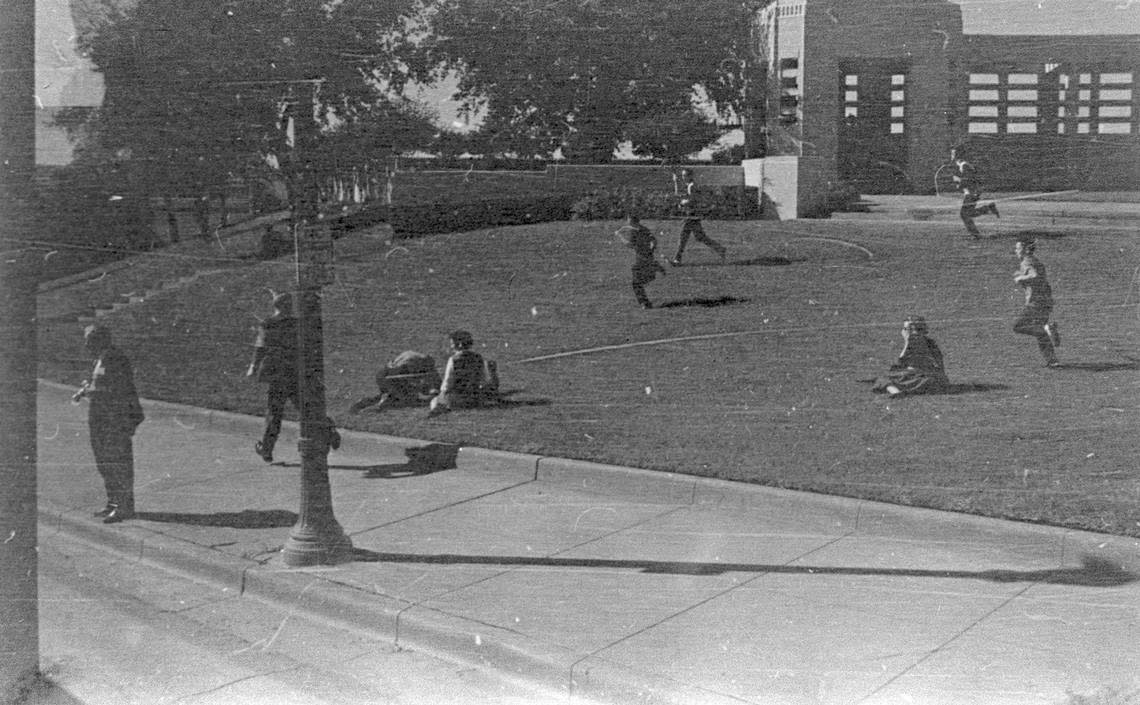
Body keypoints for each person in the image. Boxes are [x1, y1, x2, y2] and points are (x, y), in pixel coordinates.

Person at [246, 291, 340, 462]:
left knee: (274, 413)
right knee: (307, 409)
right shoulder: (298, 324)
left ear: (275, 306)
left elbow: (261, 347)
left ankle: (267, 448)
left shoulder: (268, 324)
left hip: (278, 376)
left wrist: (253, 367)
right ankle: (328, 429)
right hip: (297, 373)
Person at [72, 325, 144, 524]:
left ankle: (124, 507)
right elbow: (98, 382)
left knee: (118, 463)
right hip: (101, 419)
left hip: (114, 419)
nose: (86, 344)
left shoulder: (116, 358)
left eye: (89, 339)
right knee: (104, 462)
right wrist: (87, 388)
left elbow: (117, 389)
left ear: (100, 339)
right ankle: (113, 502)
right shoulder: (101, 358)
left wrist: (91, 391)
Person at [1012, 237, 1061, 367]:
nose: (1015, 250)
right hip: (1046, 302)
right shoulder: (1034, 260)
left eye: (1018, 248)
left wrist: (1021, 278)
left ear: (1026, 249)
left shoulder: (1027, 262)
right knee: (1041, 334)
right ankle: (1052, 361)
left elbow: (1035, 276)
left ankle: (1046, 328)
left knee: (1017, 326)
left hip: (1036, 302)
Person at [427, 330, 501, 417]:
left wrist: (441, 393)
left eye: (452, 343)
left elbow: (448, 383)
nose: (451, 346)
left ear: (459, 344)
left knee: (435, 401)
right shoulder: (478, 358)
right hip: (475, 397)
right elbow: (484, 380)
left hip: (456, 397)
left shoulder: (454, 360)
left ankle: (438, 410)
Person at [872, 316, 949, 397]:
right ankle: (898, 392)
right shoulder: (913, 343)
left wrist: (907, 342)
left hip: (922, 375)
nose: (905, 332)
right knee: (884, 378)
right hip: (910, 375)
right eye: (905, 329)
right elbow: (899, 363)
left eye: (907, 329)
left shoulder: (927, 344)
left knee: (885, 380)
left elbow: (901, 361)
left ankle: (900, 391)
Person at [349, 350, 442, 413]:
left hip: (385, 374)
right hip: (390, 377)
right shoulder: (417, 362)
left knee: (390, 396)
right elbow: (405, 379)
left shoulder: (414, 356)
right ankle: (376, 407)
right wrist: (425, 390)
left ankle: (365, 403)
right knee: (404, 400)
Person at [669, 168, 726, 266]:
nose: (683, 177)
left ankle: (677, 260)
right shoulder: (689, 186)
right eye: (682, 175)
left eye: (685, 175)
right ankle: (720, 249)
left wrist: (682, 203)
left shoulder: (692, 186)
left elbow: (693, 200)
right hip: (691, 214)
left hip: (691, 215)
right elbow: (679, 195)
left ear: (691, 176)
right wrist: (675, 182)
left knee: (683, 237)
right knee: (700, 237)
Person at [614, 213, 667, 309]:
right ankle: (655, 266)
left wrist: (619, 236)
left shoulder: (634, 232)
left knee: (636, 283)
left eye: (628, 219)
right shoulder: (644, 229)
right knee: (641, 280)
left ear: (631, 220)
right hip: (647, 258)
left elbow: (629, 244)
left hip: (641, 260)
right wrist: (652, 247)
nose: (627, 221)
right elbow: (653, 240)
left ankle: (645, 303)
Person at [950, 144, 999, 238]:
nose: (952, 156)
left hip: (972, 193)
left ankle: (976, 234)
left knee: (964, 214)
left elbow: (967, 180)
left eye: (953, 154)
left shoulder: (964, 165)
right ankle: (988, 208)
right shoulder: (964, 165)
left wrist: (958, 182)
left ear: (958, 155)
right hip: (972, 192)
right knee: (967, 213)